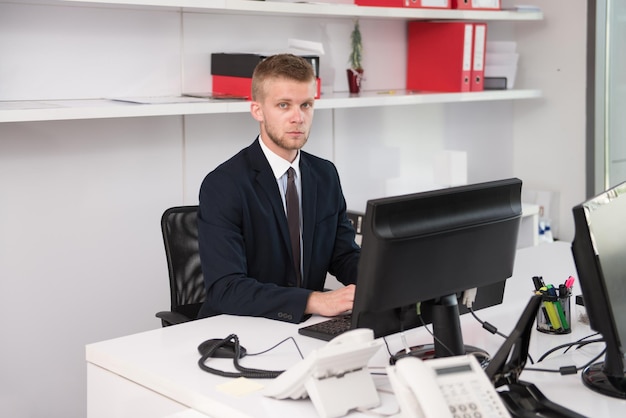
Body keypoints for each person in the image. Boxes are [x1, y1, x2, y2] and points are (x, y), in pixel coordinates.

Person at [196, 54, 360, 323]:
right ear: (257, 110)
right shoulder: (224, 184)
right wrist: (313, 300)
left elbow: (342, 255)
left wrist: (386, 282)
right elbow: (226, 289)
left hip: (301, 327)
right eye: (284, 105)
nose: (298, 117)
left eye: (306, 105)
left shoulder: (324, 175)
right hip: (240, 328)